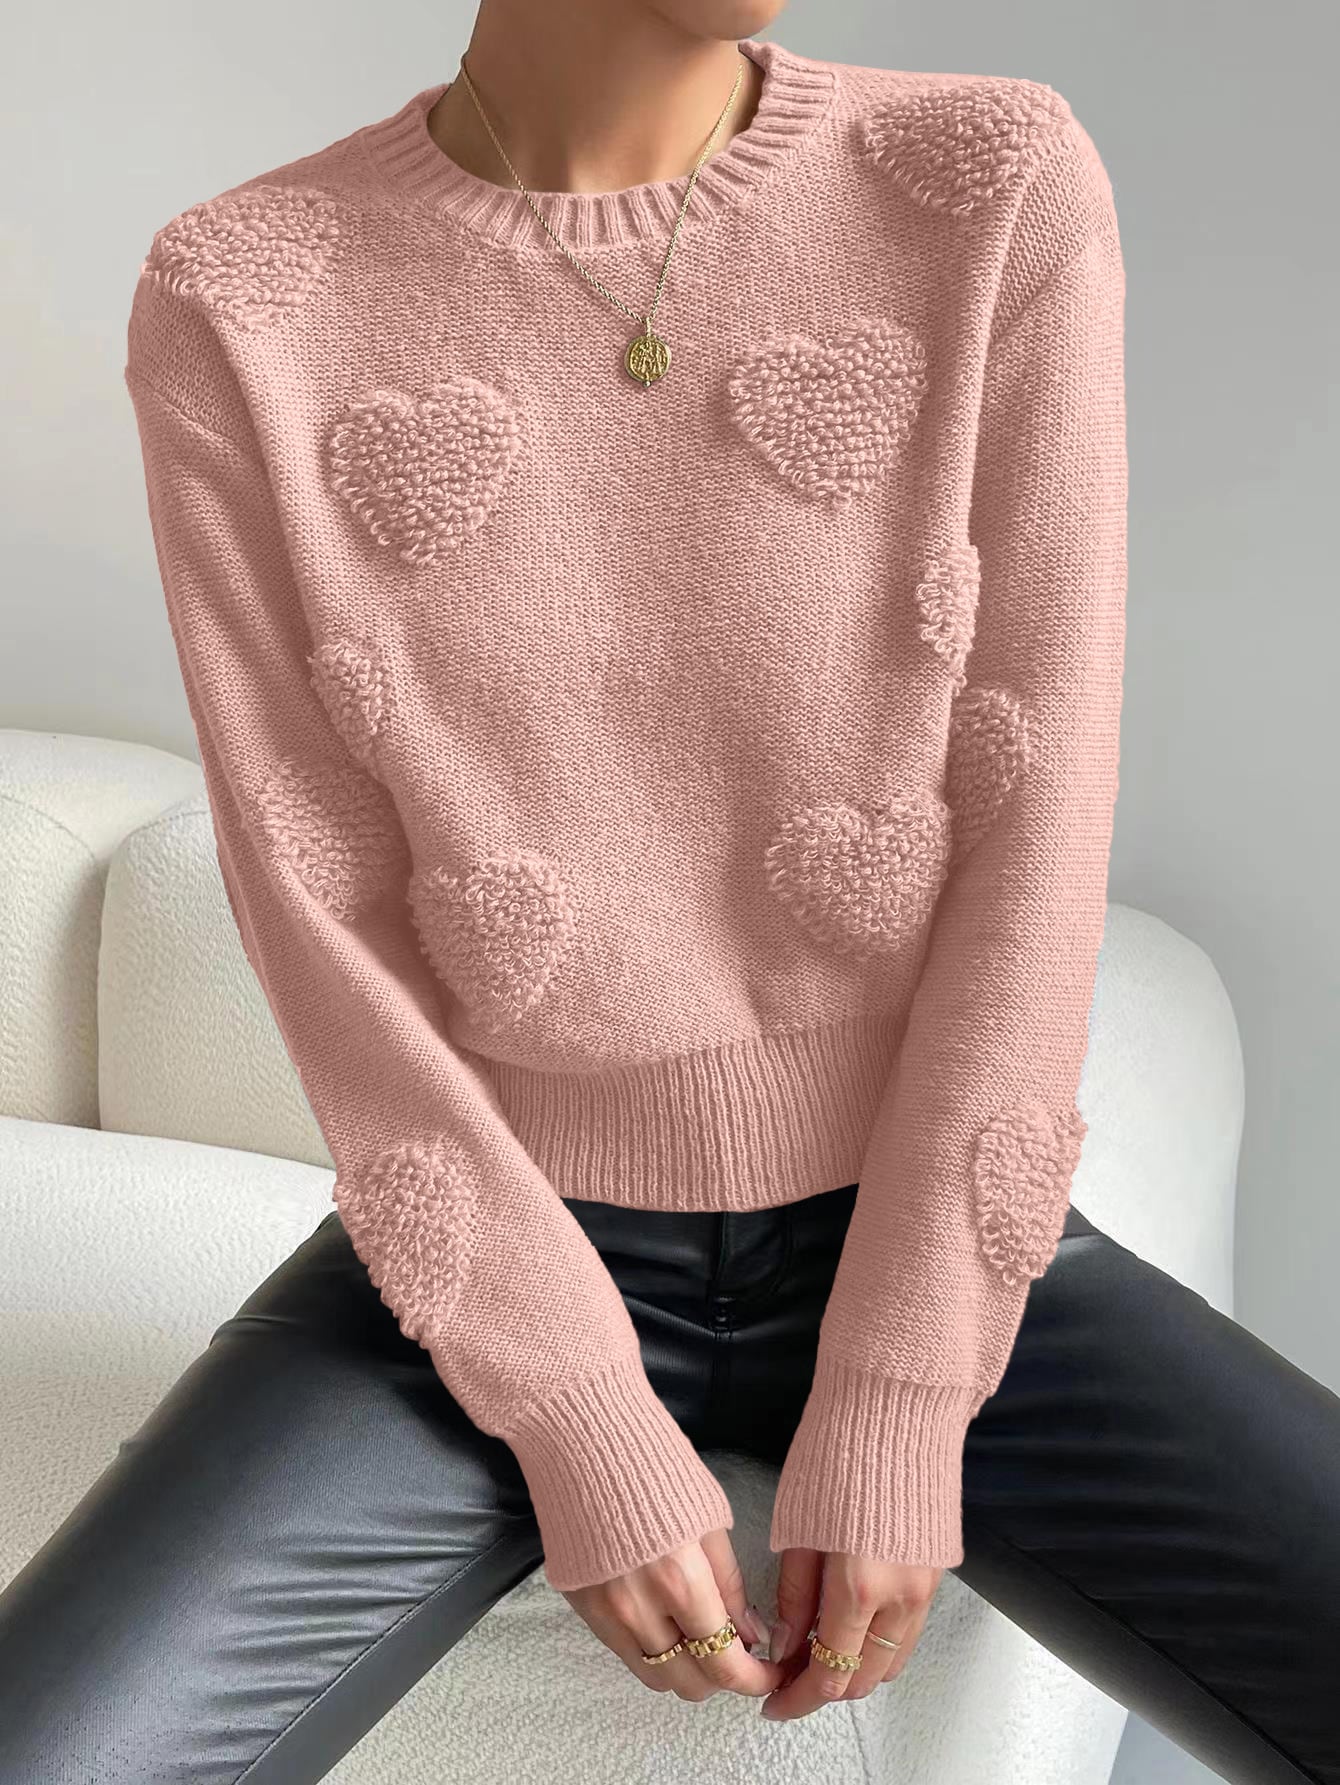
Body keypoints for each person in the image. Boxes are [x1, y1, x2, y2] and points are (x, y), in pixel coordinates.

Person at [1, 3, 1337, 1781]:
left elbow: (1036, 805)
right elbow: (312, 896)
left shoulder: (984, 182)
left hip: (927, 1225)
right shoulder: (247, 291)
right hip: (500, 1248)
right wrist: (572, 1409)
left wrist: (903, 1384)